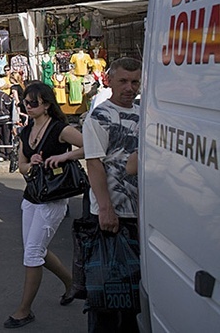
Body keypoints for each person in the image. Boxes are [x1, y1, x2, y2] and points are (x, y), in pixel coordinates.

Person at [4, 82, 85, 329]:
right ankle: (72, 283)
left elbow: (90, 146)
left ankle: (24, 310)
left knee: (32, 254)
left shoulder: (60, 129)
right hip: (31, 197)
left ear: (47, 104)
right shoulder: (26, 132)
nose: (28, 107)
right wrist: (34, 163)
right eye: (25, 103)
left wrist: (64, 156)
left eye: (33, 103)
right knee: (34, 249)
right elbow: (22, 166)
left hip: (54, 198)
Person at [82, 57, 141, 332]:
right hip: (111, 216)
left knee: (133, 293)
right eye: (123, 81)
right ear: (109, 81)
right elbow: (94, 162)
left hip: (139, 213)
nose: (130, 88)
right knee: (106, 291)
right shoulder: (100, 116)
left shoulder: (145, 113)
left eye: (135, 82)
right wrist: (106, 209)